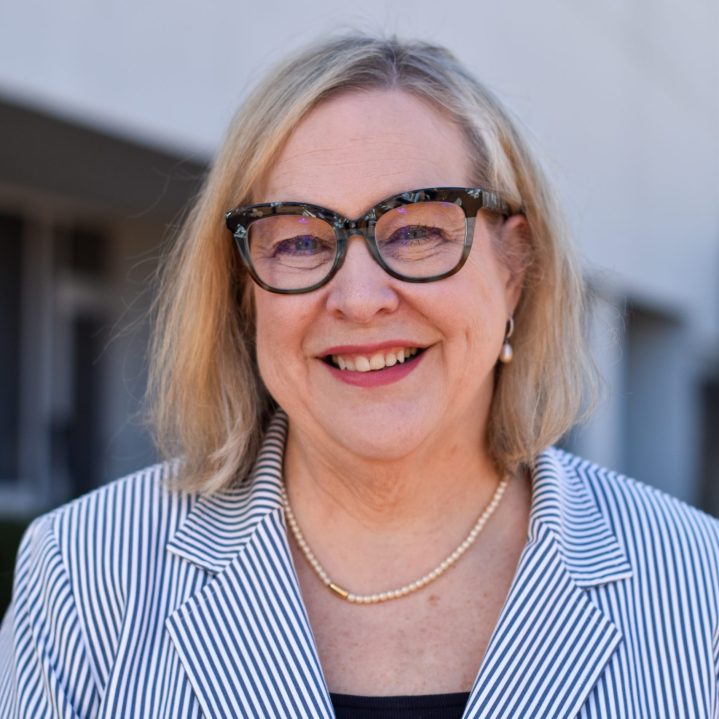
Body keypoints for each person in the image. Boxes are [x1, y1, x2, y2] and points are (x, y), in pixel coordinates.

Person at [1, 33, 718, 719]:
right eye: (302, 240)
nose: (359, 298)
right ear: (243, 293)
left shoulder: (695, 585)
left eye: (416, 230)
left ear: (514, 268)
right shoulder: (88, 570)